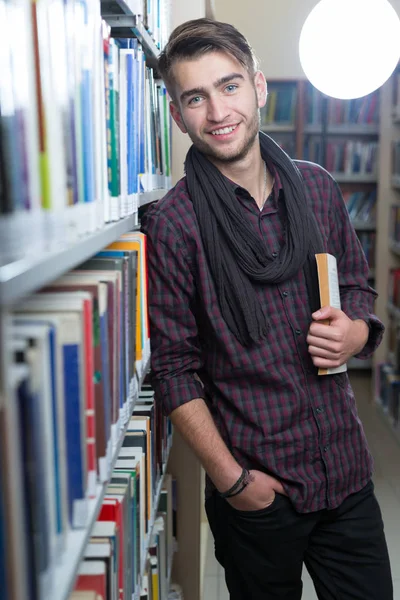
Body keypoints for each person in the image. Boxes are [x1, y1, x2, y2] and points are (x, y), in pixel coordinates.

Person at [141, 17, 393, 600]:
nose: (217, 111)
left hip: (346, 475)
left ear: (257, 87)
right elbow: (176, 370)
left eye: (229, 86)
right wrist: (235, 483)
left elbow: (358, 288)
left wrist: (355, 332)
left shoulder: (318, 187)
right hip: (259, 493)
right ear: (178, 116)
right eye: (195, 97)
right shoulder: (175, 227)